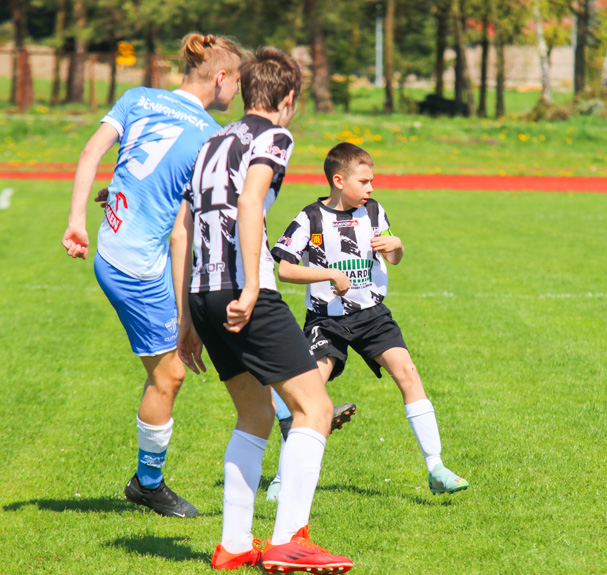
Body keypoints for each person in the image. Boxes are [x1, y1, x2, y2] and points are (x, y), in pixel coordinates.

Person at [174, 47, 353, 572]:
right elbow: (250, 202)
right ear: (289, 97)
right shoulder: (274, 135)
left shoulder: (212, 139)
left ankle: (233, 546)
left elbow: (183, 227)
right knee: (314, 409)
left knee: (253, 414)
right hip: (243, 289)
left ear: (246, 87)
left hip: (204, 293)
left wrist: (189, 316)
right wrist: (253, 286)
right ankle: (288, 541)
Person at [61, 33, 243, 519]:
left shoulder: (138, 97)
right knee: (172, 373)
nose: (237, 94)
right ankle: (147, 484)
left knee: (170, 371)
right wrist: (188, 318)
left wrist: (78, 220)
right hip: (135, 263)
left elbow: (92, 154)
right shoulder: (211, 135)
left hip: (117, 242)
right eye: (238, 82)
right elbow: (182, 233)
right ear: (221, 77)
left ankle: (150, 480)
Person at [269, 142, 469, 498]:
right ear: (338, 180)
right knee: (309, 396)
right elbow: (283, 268)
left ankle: (436, 466)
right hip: (325, 320)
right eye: (364, 181)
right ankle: (283, 479)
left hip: (373, 316)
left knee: (407, 372)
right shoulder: (310, 219)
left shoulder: (374, 211)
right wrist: (327, 275)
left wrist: (398, 246)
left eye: (372, 180)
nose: (371, 188)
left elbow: (393, 259)